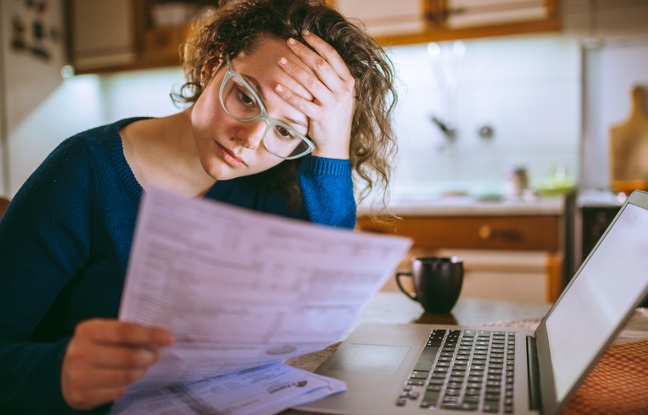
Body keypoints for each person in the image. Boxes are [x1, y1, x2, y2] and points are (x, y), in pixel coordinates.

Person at [0, 0, 398, 413]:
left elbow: (323, 304)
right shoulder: (83, 171)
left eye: (284, 131)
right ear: (212, 65)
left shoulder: (272, 185)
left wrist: (332, 147)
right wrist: (58, 372)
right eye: (245, 97)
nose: (250, 140)